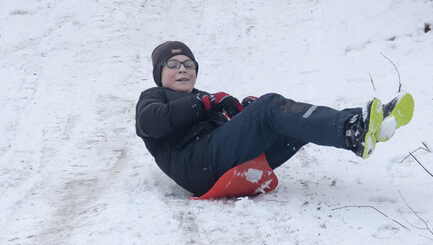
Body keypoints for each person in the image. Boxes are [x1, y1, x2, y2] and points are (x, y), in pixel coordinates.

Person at [135, 41, 414, 197]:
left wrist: (241, 113)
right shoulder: (153, 97)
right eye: (172, 65)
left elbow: (229, 132)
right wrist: (207, 103)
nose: (182, 69)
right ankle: (353, 130)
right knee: (270, 106)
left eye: (189, 65)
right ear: (159, 74)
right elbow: (153, 123)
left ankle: (366, 124)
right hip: (198, 165)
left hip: (221, 163)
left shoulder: (203, 98)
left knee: (292, 125)